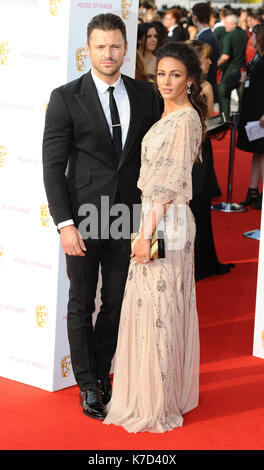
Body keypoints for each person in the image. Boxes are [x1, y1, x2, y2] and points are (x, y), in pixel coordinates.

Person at [42, 13, 160, 421]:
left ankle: (103, 372)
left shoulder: (146, 96)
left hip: (129, 216)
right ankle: (88, 383)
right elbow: (52, 167)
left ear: (126, 49)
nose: (108, 54)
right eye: (100, 46)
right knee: (80, 303)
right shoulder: (65, 97)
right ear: (87, 50)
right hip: (84, 218)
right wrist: (65, 224)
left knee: (115, 302)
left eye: (115, 46)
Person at [104, 41, 206, 433]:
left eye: (176, 75)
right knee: (154, 309)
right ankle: (155, 392)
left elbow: (166, 186)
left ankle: (156, 401)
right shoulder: (170, 115)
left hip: (165, 224)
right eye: (161, 73)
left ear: (190, 80)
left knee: (159, 312)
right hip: (156, 218)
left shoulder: (184, 121)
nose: (166, 81)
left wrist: (145, 235)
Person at [187, 40, 234, 280]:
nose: (209, 62)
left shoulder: (182, 84)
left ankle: (194, 262)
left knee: (193, 206)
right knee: (200, 205)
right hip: (200, 152)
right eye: (206, 58)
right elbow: (208, 122)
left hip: (189, 152)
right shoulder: (204, 86)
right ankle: (202, 262)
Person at [237, 24, 264, 210]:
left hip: (261, 112)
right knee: (257, 152)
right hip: (253, 111)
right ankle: (253, 191)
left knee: (262, 153)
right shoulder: (257, 56)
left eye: (253, 36)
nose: (250, 39)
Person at [217, 14, 248, 121]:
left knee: (223, 94)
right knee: (241, 99)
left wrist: (217, 63)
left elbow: (225, 56)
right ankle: (239, 120)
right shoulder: (244, 33)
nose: (224, 25)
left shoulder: (229, 36)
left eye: (226, 22)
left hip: (231, 70)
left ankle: (224, 119)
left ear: (233, 23)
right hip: (243, 71)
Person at [192, 2, 220, 103]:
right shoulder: (208, 35)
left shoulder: (205, 37)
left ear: (195, 17)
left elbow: (206, 66)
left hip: (205, 91)